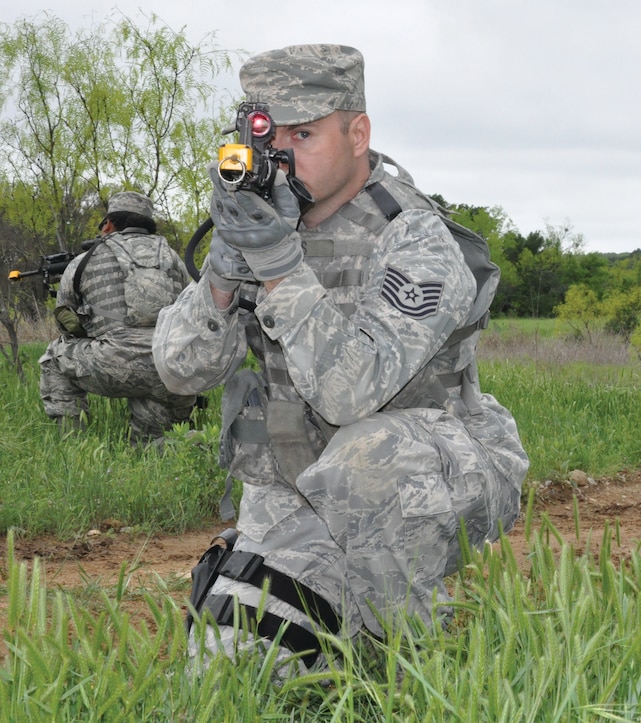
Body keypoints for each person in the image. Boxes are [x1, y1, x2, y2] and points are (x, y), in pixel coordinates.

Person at [152, 44, 529, 674]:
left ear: (358, 133)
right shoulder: (269, 221)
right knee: (226, 670)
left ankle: (417, 655)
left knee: (368, 457)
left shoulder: (412, 235)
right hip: (296, 494)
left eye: (304, 134)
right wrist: (222, 273)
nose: (282, 157)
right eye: (271, 139)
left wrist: (277, 267)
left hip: (422, 481)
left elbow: (349, 394)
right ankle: (339, 634)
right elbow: (178, 369)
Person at [39, 191, 196, 443]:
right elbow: (189, 309)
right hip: (171, 370)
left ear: (109, 224)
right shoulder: (173, 259)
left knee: (53, 358)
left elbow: (65, 320)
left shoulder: (85, 260)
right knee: (151, 445)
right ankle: (161, 444)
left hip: (113, 367)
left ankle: (71, 443)